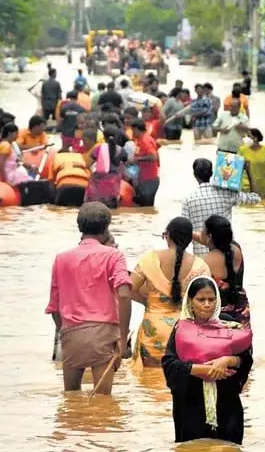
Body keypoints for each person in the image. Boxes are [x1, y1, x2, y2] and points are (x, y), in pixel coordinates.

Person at [46, 203, 132, 393]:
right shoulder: (114, 256)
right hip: (103, 334)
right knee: (102, 401)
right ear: (106, 227)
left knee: (71, 398)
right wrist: (123, 339)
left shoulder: (62, 258)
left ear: (80, 227)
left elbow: (54, 306)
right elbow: (125, 294)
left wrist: (64, 332)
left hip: (71, 333)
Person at [162, 277, 254, 444]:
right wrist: (203, 370)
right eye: (201, 300)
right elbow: (170, 364)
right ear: (190, 301)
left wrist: (228, 360)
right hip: (190, 406)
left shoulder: (229, 325)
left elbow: (246, 359)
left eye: (211, 299)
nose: (207, 304)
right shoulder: (181, 328)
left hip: (226, 404)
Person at [131, 217, 211, 367]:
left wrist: (148, 301)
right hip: (184, 333)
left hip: (153, 331)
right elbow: (205, 302)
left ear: (167, 236)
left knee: (149, 382)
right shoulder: (200, 267)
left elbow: (128, 289)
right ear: (190, 239)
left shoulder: (150, 259)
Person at [181, 158, 243, 256]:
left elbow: (184, 230)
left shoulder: (188, 199)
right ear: (212, 173)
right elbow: (255, 198)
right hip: (226, 256)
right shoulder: (226, 193)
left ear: (195, 175)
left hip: (201, 259)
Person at [204, 214, 249, 327]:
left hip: (219, 317)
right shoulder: (236, 249)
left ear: (209, 236)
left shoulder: (206, 261)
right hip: (241, 310)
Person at [84, 127, 123, 208]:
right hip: (114, 184)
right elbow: (125, 161)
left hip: (99, 183)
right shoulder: (121, 150)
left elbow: (88, 164)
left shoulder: (99, 148)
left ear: (104, 137)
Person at [129, 117, 161, 206]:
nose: (132, 133)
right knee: (145, 209)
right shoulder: (142, 140)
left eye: (132, 130)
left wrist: (137, 159)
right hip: (145, 179)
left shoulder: (145, 140)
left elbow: (154, 157)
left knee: (147, 207)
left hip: (149, 180)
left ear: (136, 129)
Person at [239, 128, 265, 198]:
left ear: (256, 138)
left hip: (263, 185)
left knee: (262, 207)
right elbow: (236, 165)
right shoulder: (242, 150)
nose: (246, 139)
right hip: (246, 185)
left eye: (249, 136)